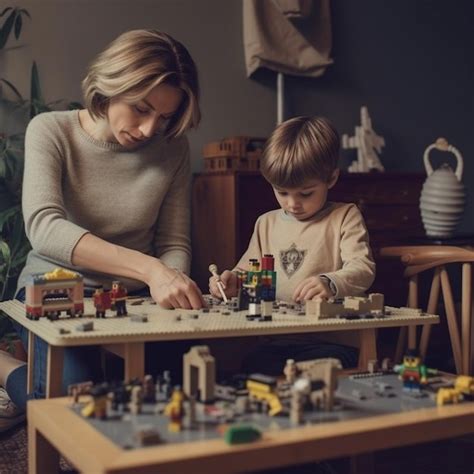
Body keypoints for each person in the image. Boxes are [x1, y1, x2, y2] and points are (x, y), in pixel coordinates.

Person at [0, 29, 205, 430]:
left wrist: (168, 280)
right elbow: (44, 227)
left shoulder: (173, 149)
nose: (149, 129)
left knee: (177, 399)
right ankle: (5, 365)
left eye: (163, 117)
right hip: (55, 286)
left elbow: (173, 243)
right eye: (141, 108)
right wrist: (150, 270)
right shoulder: (50, 130)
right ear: (110, 85)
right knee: (75, 410)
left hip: (138, 294)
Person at [209, 116, 376, 374]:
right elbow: (247, 273)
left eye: (306, 193)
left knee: (316, 373)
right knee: (253, 368)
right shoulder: (266, 223)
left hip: (332, 341)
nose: (292, 204)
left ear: (332, 178)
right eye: (282, 192)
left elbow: (362, 268)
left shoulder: (345, 216)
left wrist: (331, 283)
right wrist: (232, 282)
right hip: (277, 340)